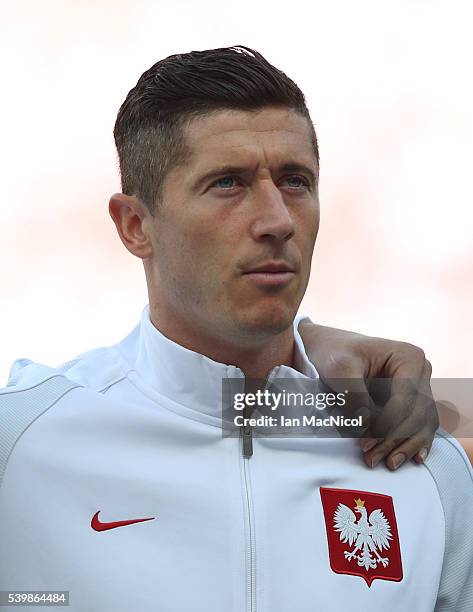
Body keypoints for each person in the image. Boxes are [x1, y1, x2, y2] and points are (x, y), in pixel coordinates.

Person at [0, 45, 470, 611]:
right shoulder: (21, 445)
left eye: (295, 181)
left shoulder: (421, 461)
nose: (277, 220)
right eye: (228, 183)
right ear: (134, 225)